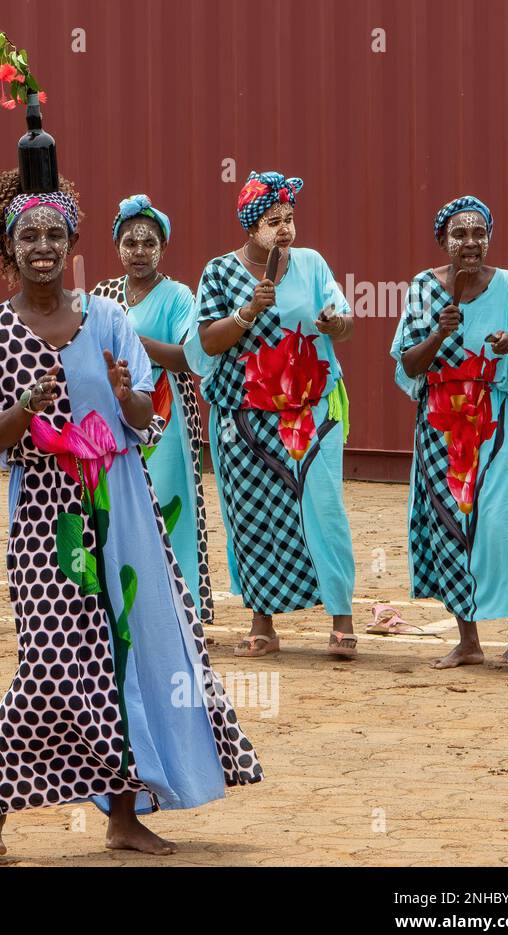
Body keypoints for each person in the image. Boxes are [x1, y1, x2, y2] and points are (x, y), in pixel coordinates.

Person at [0, 170, 261, 857]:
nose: (43, 246)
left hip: (120, 503)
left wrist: (128, 395)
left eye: (55, 235)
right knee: (52, 655)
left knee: (131, 649)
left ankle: (123, 816)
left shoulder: (111, 318)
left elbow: (145, 421)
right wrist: (26, 409)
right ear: (9, 247)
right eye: (29, 235)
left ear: (72, 244)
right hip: (47, 514)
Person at [192, 171, 358, 659]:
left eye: (288, 219)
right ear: (249, 225)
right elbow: (206, 341)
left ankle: (342, 621)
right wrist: (246, 313)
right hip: (243, 415)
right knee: (252, 515)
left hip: (311, 408)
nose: (284, 229)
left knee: (323, 508)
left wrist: (335, 323)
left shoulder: (310, 264)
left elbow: (344, 322)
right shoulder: (220, 272)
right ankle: (262, 624)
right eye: (272, 220)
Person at [390, 196, 508, 669]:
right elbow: (407, 363)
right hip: (440, 421)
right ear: (443, 241)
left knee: (500, 523)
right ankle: (469, 640)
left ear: (489, 238)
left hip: (496, 418)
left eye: (479, 233)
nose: (471, 243)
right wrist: (438, 334)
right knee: (449, 525)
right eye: (460, 234)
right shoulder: (421, 288)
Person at [91, 195, 212, 623]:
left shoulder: (179, 296)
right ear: (116, 246)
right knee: (123, 507)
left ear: (162, 247)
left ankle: (181, 612)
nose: (138, 252)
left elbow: (190, 357)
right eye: (129, 242)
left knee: (169, 505)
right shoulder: (102, 295)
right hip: (114, 418)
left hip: (168, 414)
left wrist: (137, 348)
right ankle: (130, 607)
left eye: (148, 243)